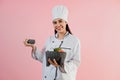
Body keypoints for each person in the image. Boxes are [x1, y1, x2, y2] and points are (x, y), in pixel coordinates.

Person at [24, 5, 81, 80]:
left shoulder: (74, 41)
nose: (57, 25)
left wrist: (61, 64)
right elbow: (43, 58)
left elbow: (75, 63)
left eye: (60, 21)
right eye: (55, 22)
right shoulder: (49, 40)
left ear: (66, 22)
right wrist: (33, 47)